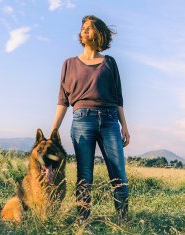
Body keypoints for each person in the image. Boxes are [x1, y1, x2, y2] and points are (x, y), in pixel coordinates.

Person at [51, 15, 130, 220]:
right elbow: (63, 100)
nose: (84, 31)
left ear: (99, 33)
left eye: (89, 28)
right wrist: (53, 130)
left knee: (118, 174)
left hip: (110, 120)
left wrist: (125, 126)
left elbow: (118, 97)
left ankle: (123, 220)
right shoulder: (68, 64)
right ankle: (82, 221)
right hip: (82, 121)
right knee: (84, 176)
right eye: (83, 28)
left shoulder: (110, 63)